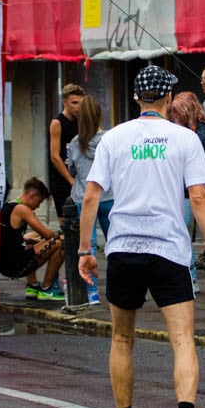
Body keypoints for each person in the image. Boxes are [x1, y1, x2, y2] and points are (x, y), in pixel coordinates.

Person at [77, 65, 205, 408]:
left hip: (124, 246)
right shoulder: (184, 138)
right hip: (168, 249)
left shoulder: (114, 138)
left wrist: (84, 249)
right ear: (167, 98)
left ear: (135, 98)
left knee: (122, 338)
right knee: (181, 340)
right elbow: (197, 198)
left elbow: (91, 196)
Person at [67, 94, 113, 305]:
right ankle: (119, 289)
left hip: (83, 198)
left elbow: (72, 169)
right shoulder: (110, 140)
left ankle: (92, 294)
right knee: (115, 245)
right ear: (99, 115)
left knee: (88, 247)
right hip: (109, 196)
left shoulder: (75, 144)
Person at [171, 91, 205, 295]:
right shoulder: (186, 131)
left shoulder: (200, 131)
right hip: (183, 190)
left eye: (178, 112)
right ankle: (188, 277)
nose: (175, 116)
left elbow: (198, 161)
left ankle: (191, 278)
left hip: (193, 191)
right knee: (181, 233)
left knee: (182, 233)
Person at [0, 177, 66, 301]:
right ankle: (47, 289)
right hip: (16, 265)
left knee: (31, 236)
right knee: (62, 242)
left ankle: (32, 285)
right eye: (39, 202)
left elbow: (10, 237)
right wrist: (58, 234)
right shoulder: (23, 209)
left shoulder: (9, 205)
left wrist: (35, 241)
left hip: (5, 264)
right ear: (32, 195)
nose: (38, 206)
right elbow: (47, 235)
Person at [48, 83, 84, 220]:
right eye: (74, 103)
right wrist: (70, 180)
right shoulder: (57, 123)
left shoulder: (81, 121)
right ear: (65, 102)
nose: (78, 107)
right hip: (61, 180)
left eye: (80, 103)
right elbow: (54, 156)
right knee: (66, 224)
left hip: (79, 175)